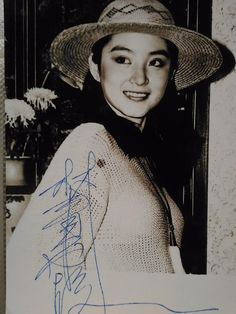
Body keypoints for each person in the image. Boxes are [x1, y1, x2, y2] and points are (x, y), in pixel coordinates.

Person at [7, 0, 222, 312]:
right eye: (122, 59)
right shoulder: (91, 142)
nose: (139, 79)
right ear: (96, 67)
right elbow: (28, 276)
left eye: (156, 62)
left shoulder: (141, 157)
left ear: (171, 72)